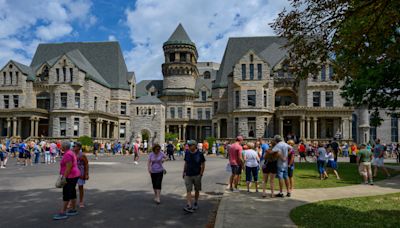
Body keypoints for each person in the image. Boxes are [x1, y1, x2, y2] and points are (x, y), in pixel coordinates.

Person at [53, 141, 80, 220]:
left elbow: (69, 167)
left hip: (70, 176)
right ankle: (73, 209)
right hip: (74, 175)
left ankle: (63, 212)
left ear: (64, 147)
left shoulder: (67, 154)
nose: (60, 147)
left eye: (61, 146)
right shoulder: (70, 152)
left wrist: (64, 177)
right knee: (72, 192)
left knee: (66, 193)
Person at [183, 140, 205, 213]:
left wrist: (201, 174)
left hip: (197, 174)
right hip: (188, 174)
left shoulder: (200, 154)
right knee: (188, 190)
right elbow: (186, 163)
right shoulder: (187, 153)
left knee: (197, 189)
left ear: (195, 146)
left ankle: (195, 202)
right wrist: (184, 172)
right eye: (188, 145)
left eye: (190, 145)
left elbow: (203, 164)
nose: (188, 147)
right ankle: (189, 204)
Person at [73, 142, 89, 208]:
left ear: (79, 147)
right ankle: (71, 202)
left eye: (75, 146)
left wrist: (86, 174)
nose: (73, 147)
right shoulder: (72, 154)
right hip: (72, 173)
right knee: (71, 188)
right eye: (73, 146)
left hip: (80, 173)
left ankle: (81, 201)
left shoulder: (82, 155)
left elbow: (86, 164)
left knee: (80, 187)